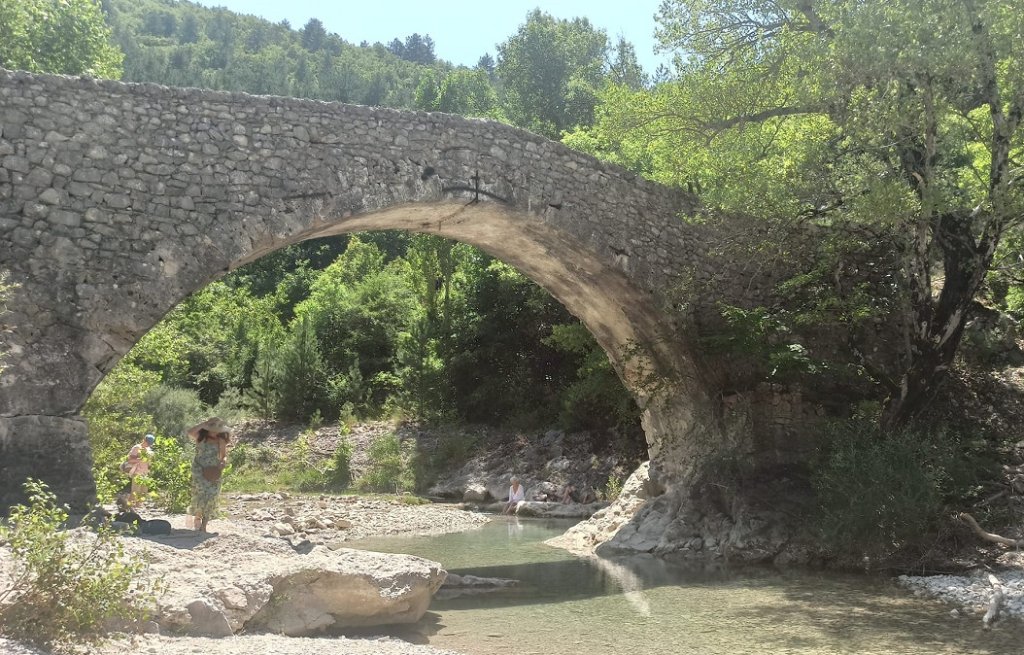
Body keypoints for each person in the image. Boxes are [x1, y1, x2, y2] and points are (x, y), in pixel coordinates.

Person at [188, 417, 230, 533]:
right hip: (199, 470)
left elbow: (224, 456)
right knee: (200, 494)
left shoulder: (220, 440)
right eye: (212, 429)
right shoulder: (200, 437)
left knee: (212, 496)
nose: (214, 431)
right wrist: (204, 424)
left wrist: (223, 462)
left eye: (217, 429)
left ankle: (204, 524)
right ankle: (198, 517)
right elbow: (190, 432)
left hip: (214, 471)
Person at [121, 433, 155, 509]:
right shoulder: (137, 448)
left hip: (145, 472)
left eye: (150, 444)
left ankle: (138, 506)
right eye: (148, 443)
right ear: (144, 440)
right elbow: (130, 460)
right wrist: (140, 459)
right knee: (135, 491)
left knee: (144, 491)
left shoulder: (149, 450)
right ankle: (129, 506)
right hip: (137, 471)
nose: (148, 445)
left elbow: (150, 463)